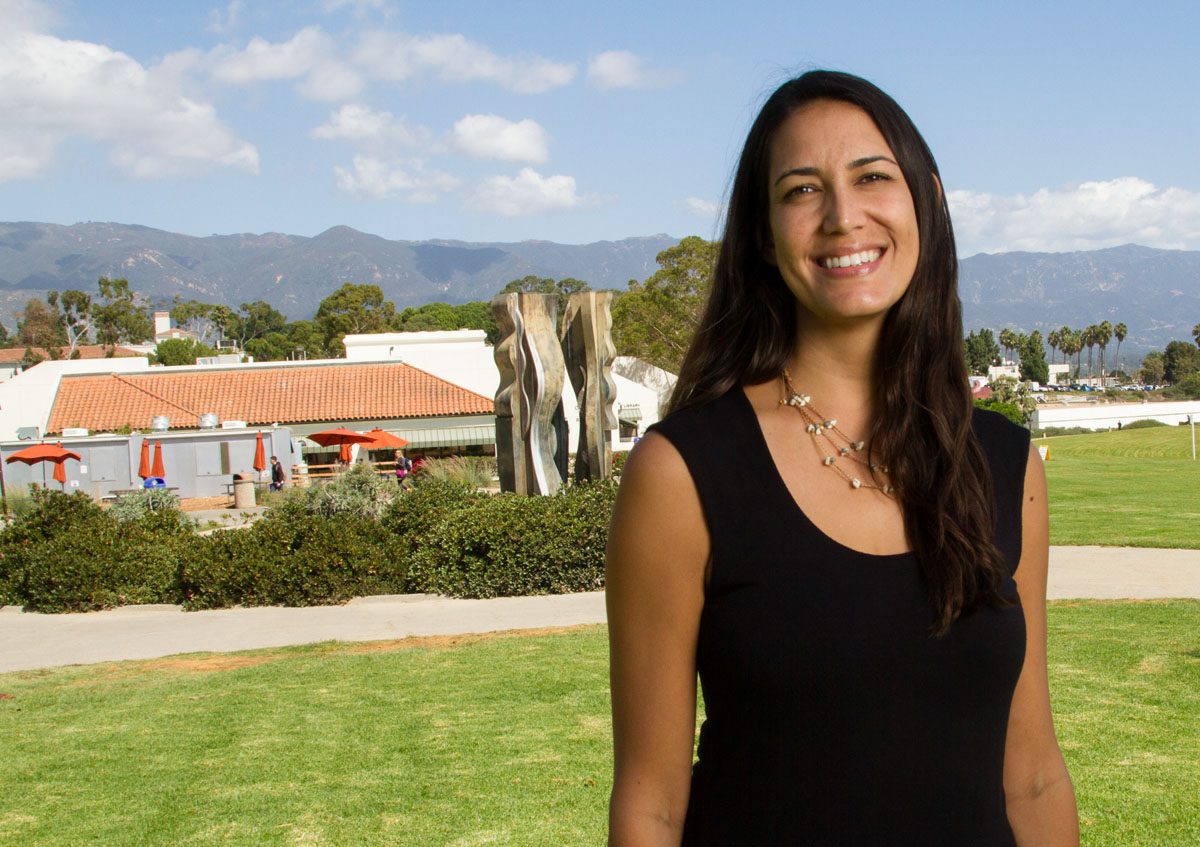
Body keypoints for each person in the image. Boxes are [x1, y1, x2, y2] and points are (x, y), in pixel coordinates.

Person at [605, 71, 1079, 846]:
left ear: (923, 197)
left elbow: (1032, 774)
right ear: (763, 233)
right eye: (800, 190)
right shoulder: (684, 471)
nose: (842, 217)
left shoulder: (1006, 465)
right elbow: (650, 803)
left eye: (871, 177)